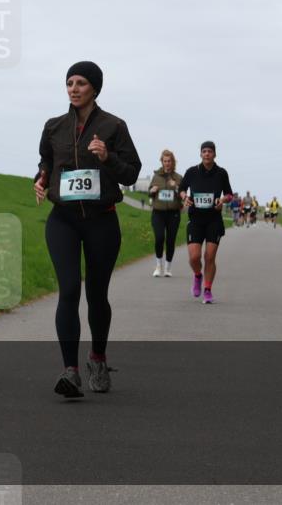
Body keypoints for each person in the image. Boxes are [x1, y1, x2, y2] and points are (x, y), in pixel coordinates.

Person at [34, 62, 141, 397]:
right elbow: (46, 162)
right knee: (68, 290)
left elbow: (131, 173)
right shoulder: (54, 126)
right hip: (62, 219)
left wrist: (107, 156)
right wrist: (40, 179)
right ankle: (70, 371)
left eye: (81, 83)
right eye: (69, 82)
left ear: (95, 88)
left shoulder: (114, 126)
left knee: (96, 294)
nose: (74, 88)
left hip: (101, 219)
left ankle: (97, 357)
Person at [179, 142, 232, 305]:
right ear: (200, 154)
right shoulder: (192, 172)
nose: (207, 154)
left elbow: (229, 194)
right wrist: (184, 198)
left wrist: (222, 200)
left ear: (215, 154)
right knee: (194, 257)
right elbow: (181, 189)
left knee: (209, 257)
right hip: (195, 219)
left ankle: (207, 290)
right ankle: (197, 276)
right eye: (204, 151)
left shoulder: (221, 173)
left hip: (214, 220)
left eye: (210, 151)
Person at [147, 150, 183, 277]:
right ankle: (158, 266)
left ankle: (168, 268)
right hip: (158, 213)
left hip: (173, 214)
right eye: (165, 161)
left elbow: (183, 195)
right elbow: (150, 193)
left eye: (169, 161)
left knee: (170, 240)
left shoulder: (178, 178)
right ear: (162, 162)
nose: (167, 163)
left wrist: (176, 187)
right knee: (159, 238)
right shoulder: (157, 176)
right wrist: (152, 190)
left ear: (173, 162)